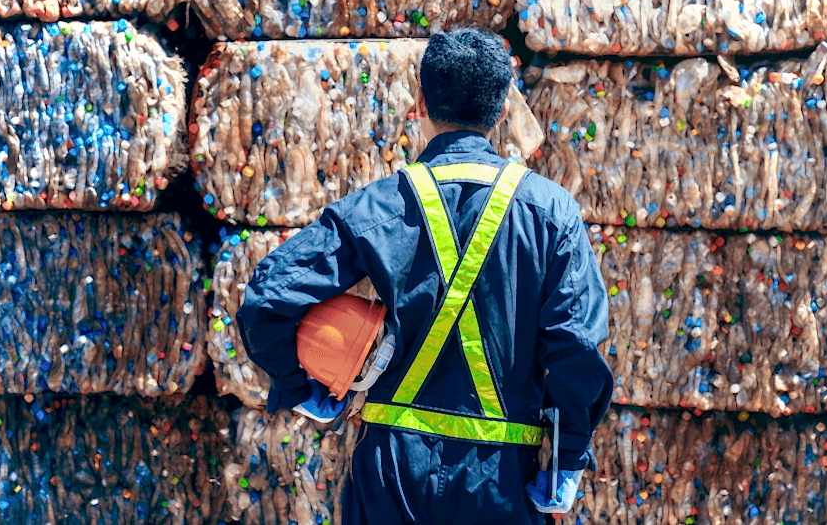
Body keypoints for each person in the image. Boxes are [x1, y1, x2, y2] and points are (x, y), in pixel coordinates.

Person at [236, 27, 613, 524]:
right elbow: (577, 346)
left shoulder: (380, 204)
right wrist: (567, 459)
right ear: (502, 111)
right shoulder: (550, 212)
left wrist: (299, 386)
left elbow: (268, 298)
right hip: (498, 479)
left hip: (393, 473)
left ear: (419, 103)